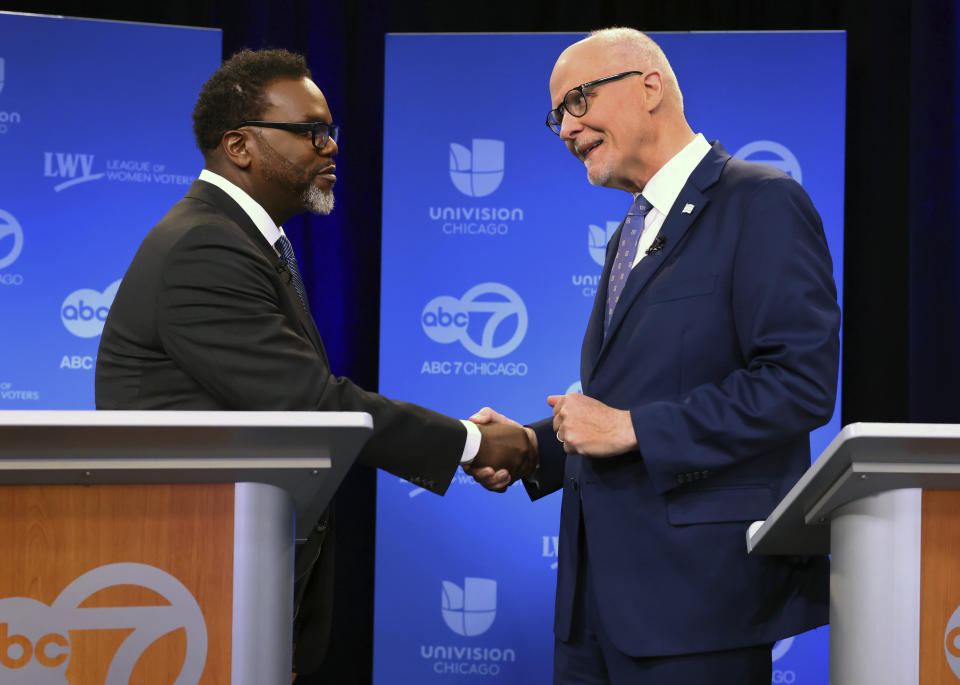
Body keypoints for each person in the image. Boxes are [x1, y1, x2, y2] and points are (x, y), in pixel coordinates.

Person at [94, 48, 535, 676]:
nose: (330, 148)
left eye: (330, 132)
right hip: (191, 583)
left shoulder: (234, 238)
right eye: (310, 132)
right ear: (240, 146)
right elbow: (312, 406)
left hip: (232, 578)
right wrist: (471, 443)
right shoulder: (206, 246)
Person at [467, 28, 840, 684]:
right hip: (591, 614)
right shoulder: (632, 232)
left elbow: (798, 382)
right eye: (557, 114)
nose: (565, 128)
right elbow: (622, 406)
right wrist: (532, 446)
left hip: (697, 608)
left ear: (649, 87)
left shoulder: (761, 201)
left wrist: (633, 427)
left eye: (578, 100)